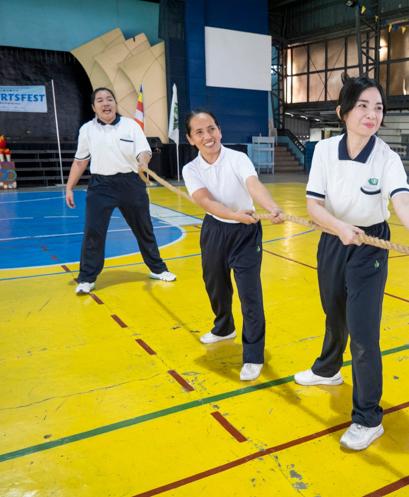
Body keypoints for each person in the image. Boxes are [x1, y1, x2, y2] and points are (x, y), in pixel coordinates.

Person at [294, 76, 409, 451]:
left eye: (378, 107)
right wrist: (339, 227)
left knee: (363, 333)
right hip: (333, 238)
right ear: (343, 112)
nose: (372, 114)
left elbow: (402, 200)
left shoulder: (386, 157)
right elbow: (313, 205)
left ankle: (369, 418)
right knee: (333, 311)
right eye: (363, 106)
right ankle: (327, 370)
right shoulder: (323, 151)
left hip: (369, 245)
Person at [182, 110, 284, 382]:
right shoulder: (191, 170)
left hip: (246, 232)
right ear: (191, 139)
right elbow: (207, 202)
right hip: (215, 229)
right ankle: (224, 327)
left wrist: (271, 207)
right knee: (215, 283)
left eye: (211, 129)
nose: (208, 136)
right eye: (200, 132)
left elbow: (253, 185)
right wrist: (233, 215)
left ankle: (253, 355)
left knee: (249, 295)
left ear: (220, 131)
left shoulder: (238, 158)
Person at [66, 88, 176, 295]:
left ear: (115, 104)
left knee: (144, 228)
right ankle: (87, 278)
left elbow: (144, 151)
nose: (105, 103)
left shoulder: (131, 126)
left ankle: (158, 268)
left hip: (131, 183)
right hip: (101, 186)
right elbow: (80, 162)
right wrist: (69, 187)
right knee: (93, 232)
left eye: (109, 99)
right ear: (93, 107)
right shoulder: (87, 130)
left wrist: (143, 162)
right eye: (100, 100)